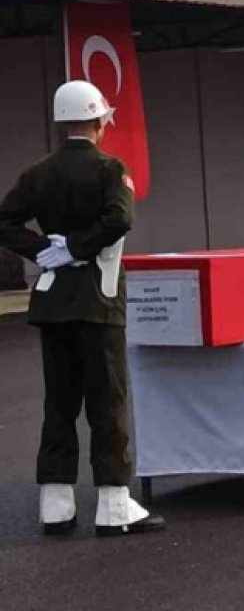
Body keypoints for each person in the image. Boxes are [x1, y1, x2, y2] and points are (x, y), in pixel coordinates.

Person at [0, 80, 165, 537]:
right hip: (99, 298)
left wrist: (44, 250)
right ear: (99, 121)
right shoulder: (111, 168)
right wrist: (78, 247)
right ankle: (113, 505)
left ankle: (56, 504)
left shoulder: (38, 173)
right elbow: (121, 219)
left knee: (59, 403)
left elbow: (4, 220)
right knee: (106, 401)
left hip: (52, 303)